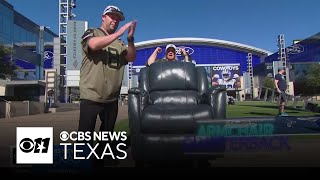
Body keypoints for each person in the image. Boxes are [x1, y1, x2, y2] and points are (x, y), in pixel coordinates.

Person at [78, 5, 137, 167]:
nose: (115, 20)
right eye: (112, 16)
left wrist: (130, 39)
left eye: (118, 18)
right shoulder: (92, 32)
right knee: (84, 138)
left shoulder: (120, 43)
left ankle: (99, 164)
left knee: (105, 138)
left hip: (111, 99)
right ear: (103, 17)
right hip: (91, 95)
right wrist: (118, 33)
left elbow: (131, 57)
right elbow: (94, 45)